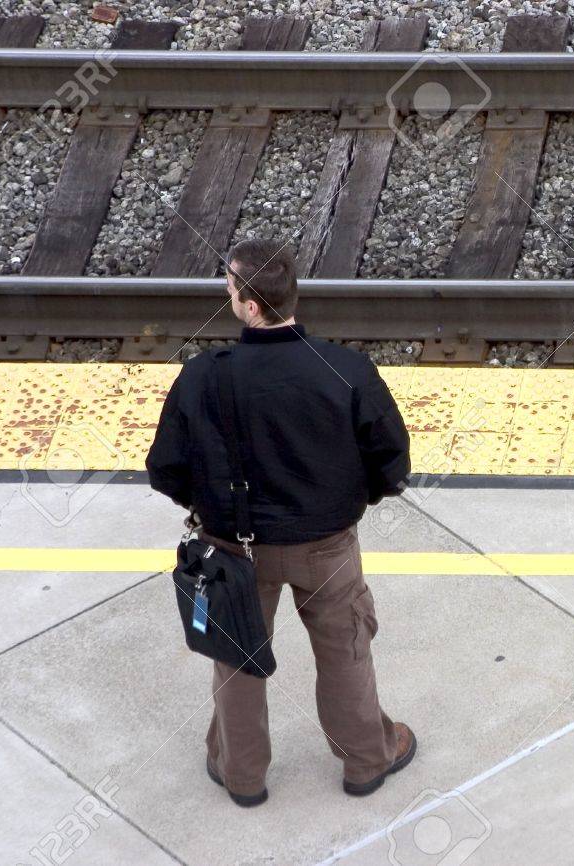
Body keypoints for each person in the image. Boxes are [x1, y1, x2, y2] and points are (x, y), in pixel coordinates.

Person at [146, 238, 415, 807]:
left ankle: (241, 774)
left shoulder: (203, 376)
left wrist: (206, 504)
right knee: (345, 649)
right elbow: (392, 462)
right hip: (327, 546)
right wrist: (352, 500)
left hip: (233, 548)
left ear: (248, 306)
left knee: (238, 656)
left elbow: (165, 469)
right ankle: (367, 760)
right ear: (291, 297)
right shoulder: (346, 369)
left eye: (229, 289)